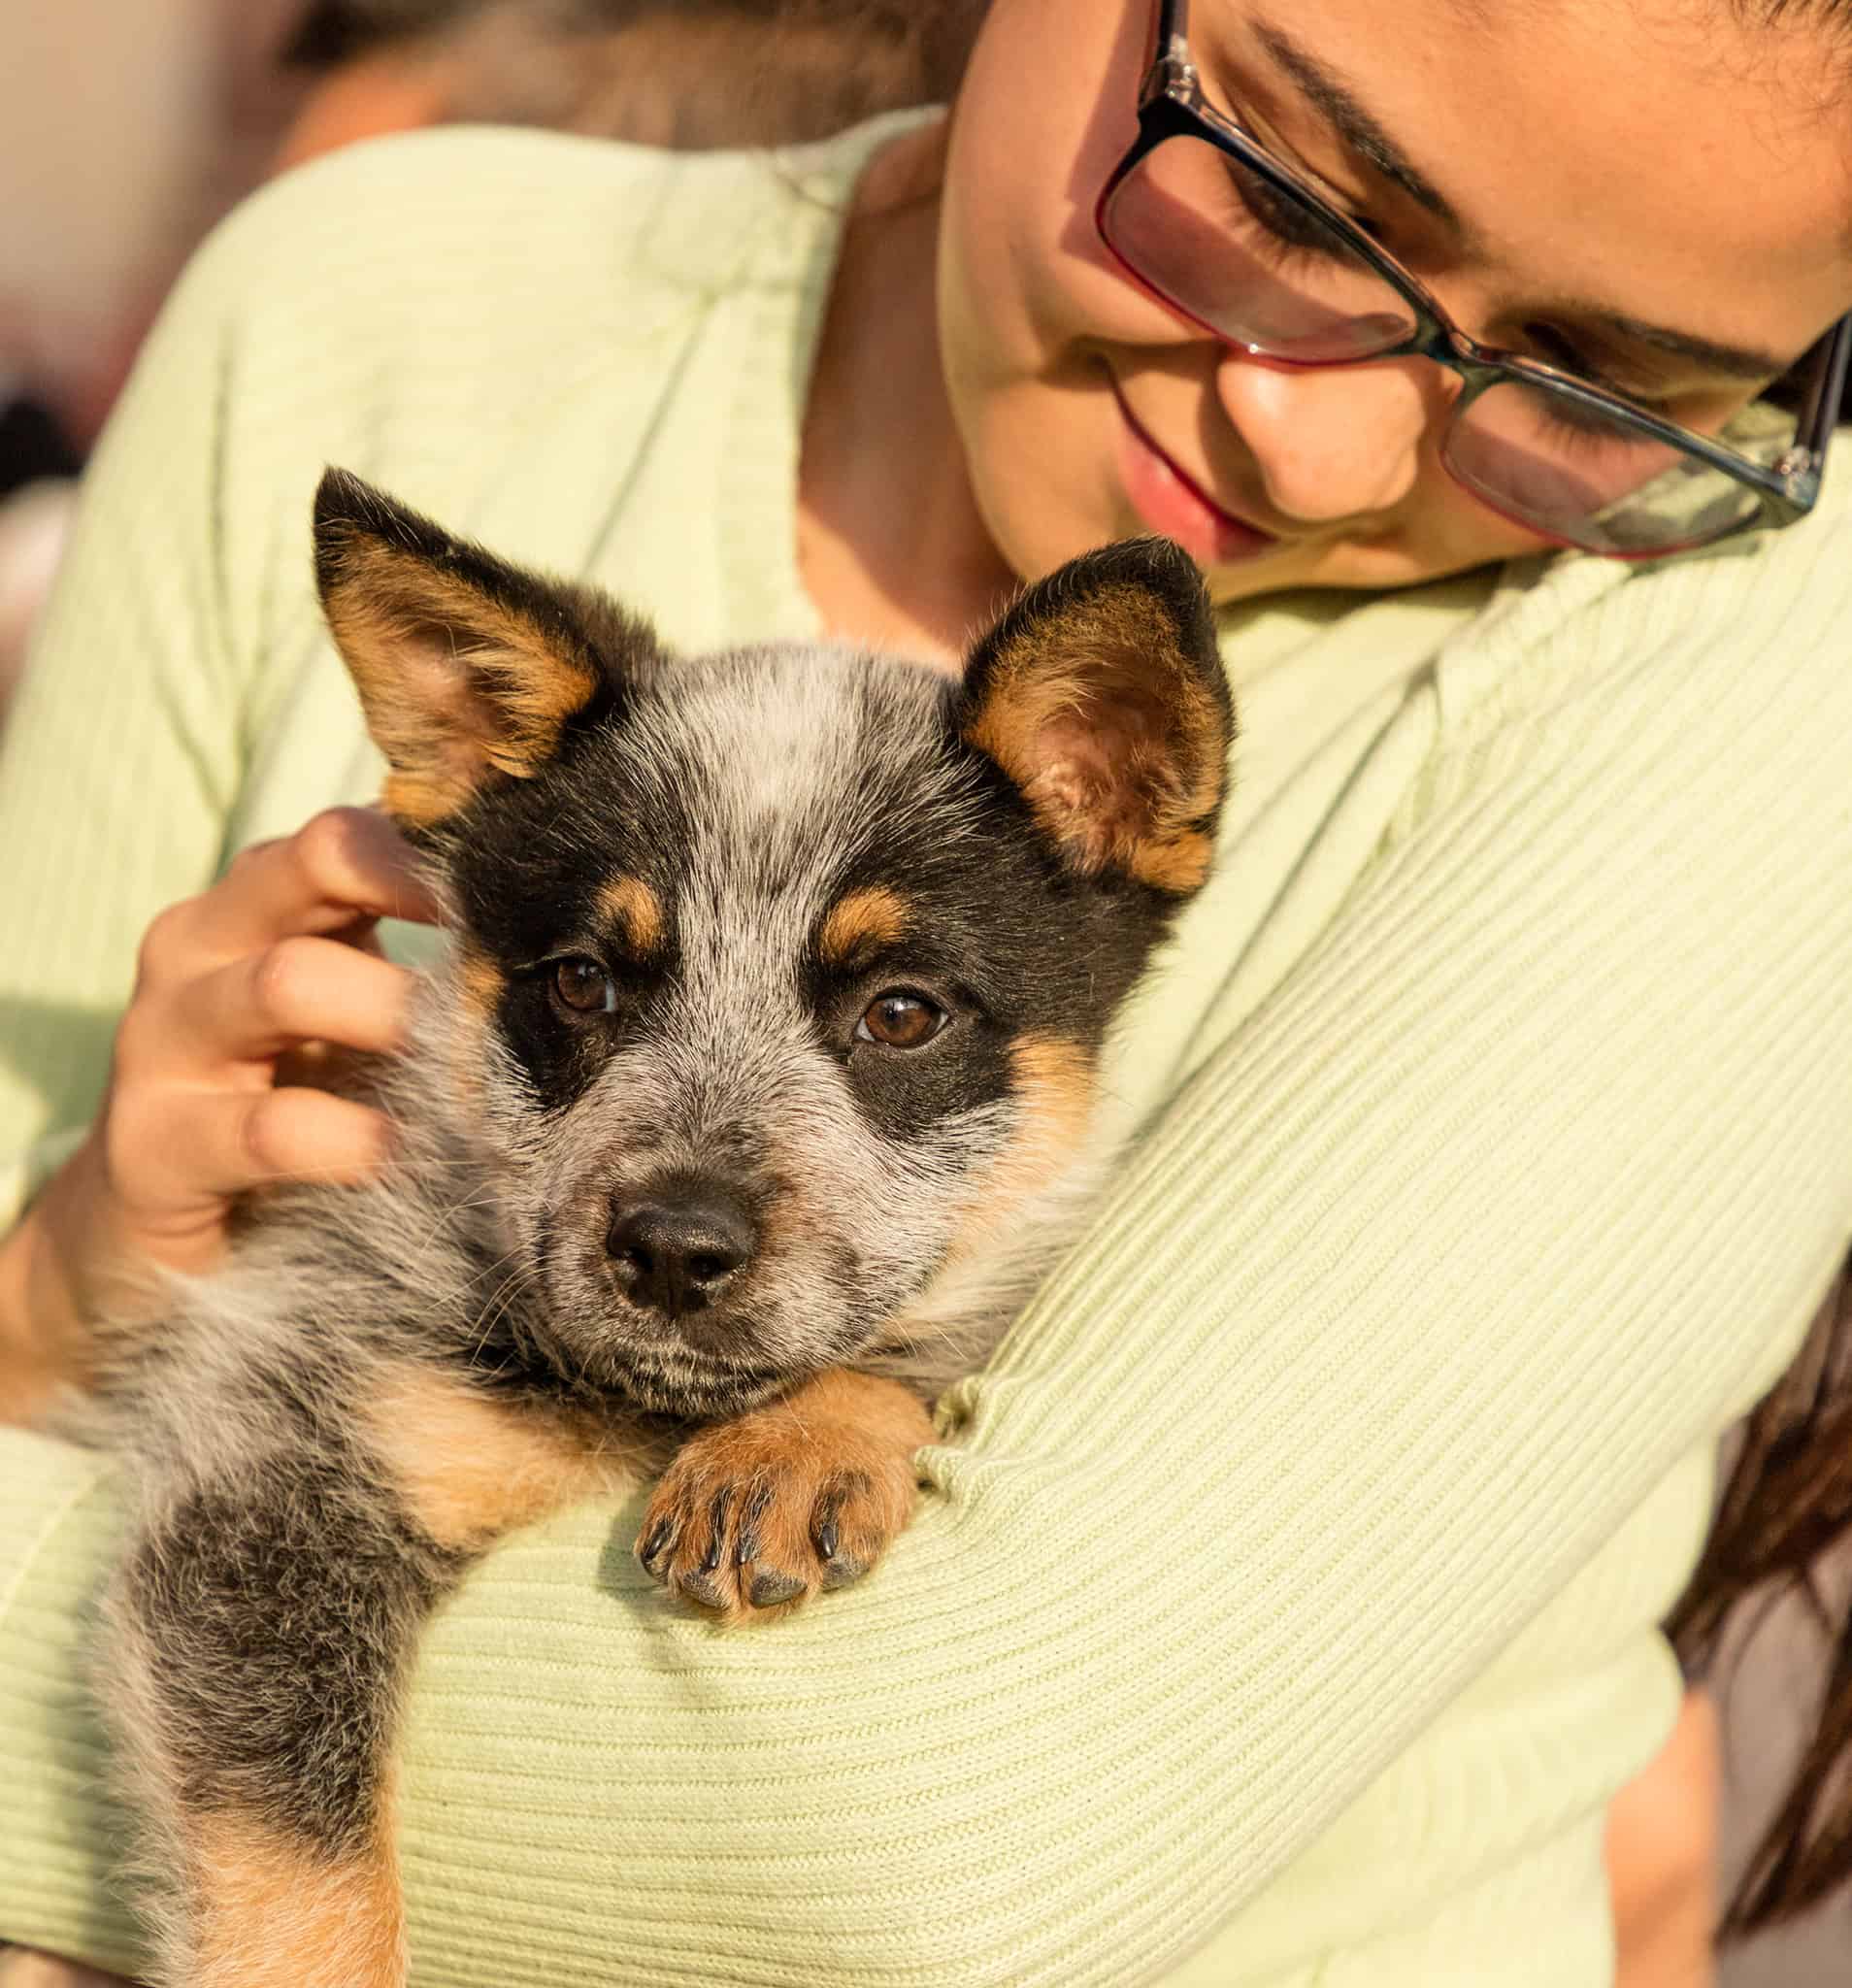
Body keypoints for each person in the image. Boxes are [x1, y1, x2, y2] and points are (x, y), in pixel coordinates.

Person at [0, 0, 1848, 1982]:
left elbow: (909, 1845)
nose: (1313, 433)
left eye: (1605, 380)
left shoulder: (1751, 657)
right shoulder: (349, 306)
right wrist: (43, 1292)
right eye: (1295, 187)